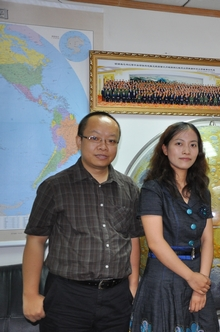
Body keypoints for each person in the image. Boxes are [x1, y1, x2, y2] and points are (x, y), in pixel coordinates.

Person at [22, 111, 143, 331]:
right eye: (95, 138)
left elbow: (133, 238)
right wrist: (29, 294)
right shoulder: (54, 187)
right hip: (67, 298)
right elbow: (36, 240)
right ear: (79, 141)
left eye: (111, 140)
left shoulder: (130, 189)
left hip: (117, 299)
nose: (103, 146)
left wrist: (133, 285)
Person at [130, 122, 219, 332]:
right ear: (165, 148)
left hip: (198, 277)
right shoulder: (153, 189)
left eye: (193, 145)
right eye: (179, 143)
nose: (186, 150)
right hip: (163, 279)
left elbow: (207, 240)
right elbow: (155, 242)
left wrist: (201, 285)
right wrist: (191, 278)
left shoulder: (202, 190)